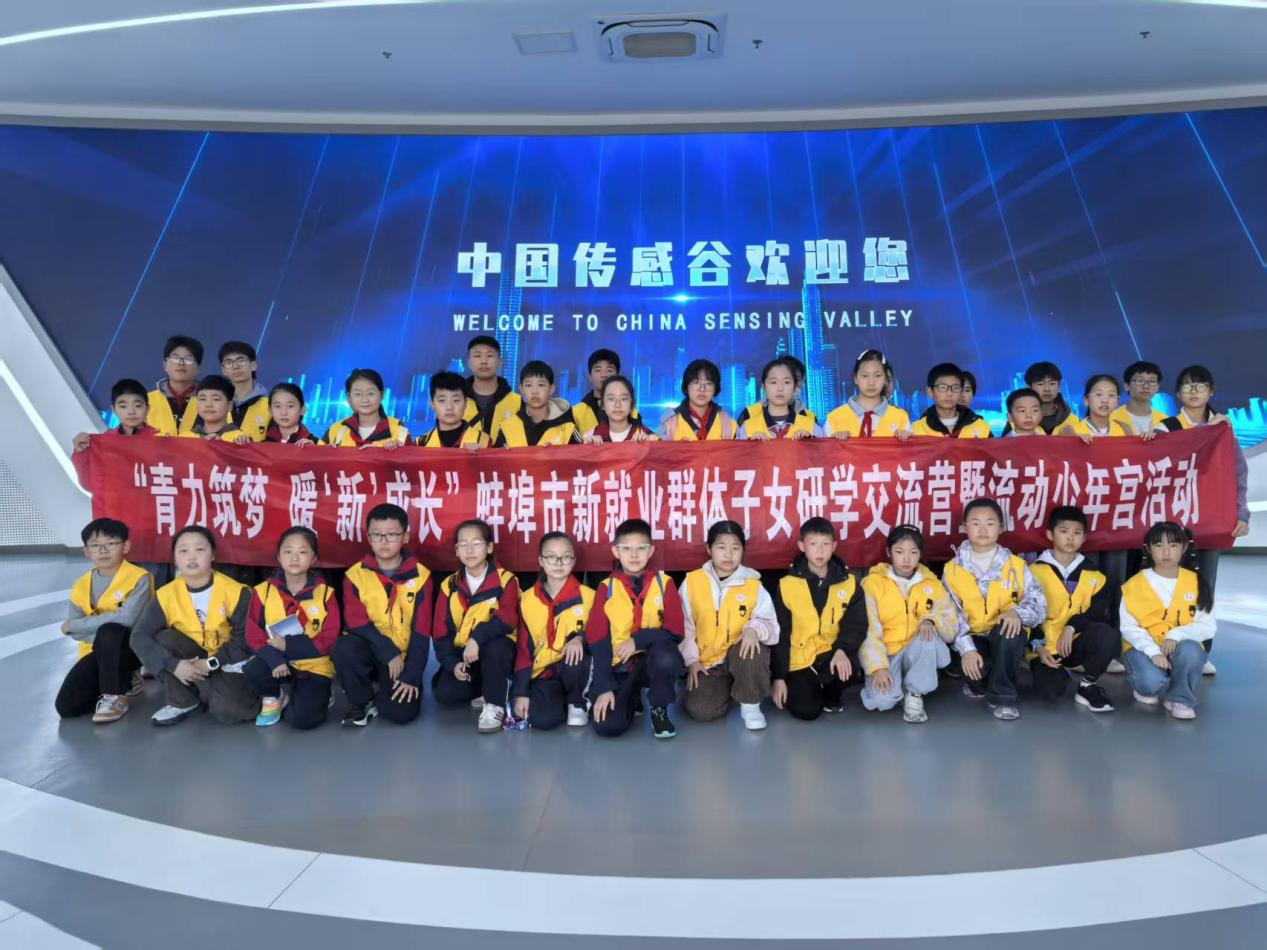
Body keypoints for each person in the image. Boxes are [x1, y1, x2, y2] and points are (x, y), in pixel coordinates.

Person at [1157, 364, 1250, 677]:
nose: (1193, 391)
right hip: (1172, 523)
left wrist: (1241, 512)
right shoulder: (1166, 428)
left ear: (1211, 392)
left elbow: (1238, 473)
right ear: (1177, 393)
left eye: (1200, 386)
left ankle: (1200, 650)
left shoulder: (1222, 428)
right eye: (1187, 386)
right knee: (1166, 585)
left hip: (1210, 520)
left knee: (1204, 586)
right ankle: (1163, 649)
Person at [128, 526, 259, 726]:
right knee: (162, 638)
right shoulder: (166, 594)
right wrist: (175, 665)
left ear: (212, 555)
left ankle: (227, 690)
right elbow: (139, 636)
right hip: (191, 656)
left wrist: (210, 664)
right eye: (183, 550)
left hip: (228, 659)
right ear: (175, 558)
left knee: (229, 713)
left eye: (200, 549)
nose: (191, 557)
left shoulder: (236, 592)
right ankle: (183, 700)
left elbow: (244, 640)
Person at [942, 499, 1047, 721]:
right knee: (976, 676)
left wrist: (1017, 612)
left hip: (1004, 636)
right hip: (972, 637)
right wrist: (967, 650)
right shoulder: (952, 569)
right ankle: (981, 680)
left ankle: (1003, 697)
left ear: (1001, 528)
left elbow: (1039, 605)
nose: (982, 529)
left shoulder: (1016, 565)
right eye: (976, 523)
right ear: (964, 527)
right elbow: (950, 615)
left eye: (990, 523)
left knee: (1009, 630)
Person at [332, 503, 431, 727]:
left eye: (392, 535)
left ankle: (384, 687)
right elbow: (356, 623)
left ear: (405, 536)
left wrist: (411, 674)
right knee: (344, 647)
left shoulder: (421, 576)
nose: (384, 541)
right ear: (368, 537)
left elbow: (422, 631)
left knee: (400, 714)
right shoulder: (355, 575)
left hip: (402, 658)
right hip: (371, 648)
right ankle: (362, 700)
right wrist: (388, 651)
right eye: (377, 535)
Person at [585, 518, 686, 739]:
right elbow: (597, 641)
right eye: (626, 548)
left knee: (666, 656)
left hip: (653, 662)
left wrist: (637, 641)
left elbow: (676, 632)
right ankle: (631, 697)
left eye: (641, 548)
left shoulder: (664, 583)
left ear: (651, 551)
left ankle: (659, 709)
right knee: (607, 726)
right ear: (615, 551)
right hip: (620, 666)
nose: (634, 555)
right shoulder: (606, 589)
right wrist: (604, 686)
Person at [679, 521, 778, 730]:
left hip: (739, 655)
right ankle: (731, 687)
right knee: (701, 710)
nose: (728, 554)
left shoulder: (753, 584)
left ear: (743, 551)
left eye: (735, 548)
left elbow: (770, 625)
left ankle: (750, 704)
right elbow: (684, 627)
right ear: (709, 549)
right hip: (708, 662)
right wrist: (692, 661)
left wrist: (753, 629)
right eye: (721, 547)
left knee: (753, 647)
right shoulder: (692, 583)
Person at [857, 526, 958, 723]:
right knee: (882, 701)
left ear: (920, 554)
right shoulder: (872, 584)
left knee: (927, 635)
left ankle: (914, 693)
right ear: (889, 552)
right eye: (899, 552)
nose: (906, 559)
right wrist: (877, 667)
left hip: (917, 649)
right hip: (887, 653)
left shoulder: (932, 584)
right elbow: (869, 630)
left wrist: (931, 619)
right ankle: (898, 684)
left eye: (913, 552)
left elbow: (951, 627)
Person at [770, 517, 867, 720]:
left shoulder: (849, 583)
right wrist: (779, 677)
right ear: (802, 546)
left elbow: (856, 624)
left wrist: (842, 650)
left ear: (834, 546)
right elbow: (781, 634)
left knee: (849, 670)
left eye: (825, 544)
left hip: (830, 654)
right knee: (806, 711)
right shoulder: (787, 585)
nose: (820, 551)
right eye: (813, 544)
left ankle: (831, 695)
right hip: (800, 660)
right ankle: (811, 690)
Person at [243, 527, 339, 729]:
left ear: (314, 559)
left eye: (302, 552)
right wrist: (274, 658)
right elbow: (253, 633)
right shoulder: (263, 591)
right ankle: (274, 696)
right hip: (278, 662)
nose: (294, 558)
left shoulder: (325, 594)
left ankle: (320, 694)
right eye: (288, 551)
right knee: (254, 669)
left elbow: (330, 638)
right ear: (279, 557)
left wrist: (289, 646)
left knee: (303, 720)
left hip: (314, 665)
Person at [55, 518, 151, 723]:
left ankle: (114, 696)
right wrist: (88, 633)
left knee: (111, 631)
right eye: (95, 545)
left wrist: (76, 626)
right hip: (95, 652)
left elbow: (128, 619)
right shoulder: (81, 585)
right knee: (67, 706)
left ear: (126, 546)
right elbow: (75, 634)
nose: (103, 550)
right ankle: (125, 678)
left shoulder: (140, 577)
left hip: (132, 648)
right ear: (86, 551)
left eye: (111, 543)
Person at [1120, 521, 1216, 720]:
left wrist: (1176, 634)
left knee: (1191, 651)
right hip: (1143, 648)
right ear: (1148, 549)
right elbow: (1128, 628)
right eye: (1158, 545)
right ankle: (1147, 684)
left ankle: (1180, 699)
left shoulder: (1196, 582)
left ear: (1184, 548)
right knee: (1150, 683)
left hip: (1180, 647)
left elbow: (1208, 626)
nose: (1166, 552)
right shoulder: (1134, 584)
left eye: (1173, 545)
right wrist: (1154, 652)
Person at [432, 520, 519, 733]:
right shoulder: (449, 585)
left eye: (476, 543)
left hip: (496, 650)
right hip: (466, 655)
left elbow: (507, 619)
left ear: (489, 547)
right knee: (446, 695)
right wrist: (452, 663)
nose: (469, 550)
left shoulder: (506, 580)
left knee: (497, 647)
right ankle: (486, 688)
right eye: (463, 544)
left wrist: (476, 638)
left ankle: (495, 704)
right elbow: (441, 632)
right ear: (456, 551)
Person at [1027, 507, 1118, 713]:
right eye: (1064, 531)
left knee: (1107, 635)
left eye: (1077, 533)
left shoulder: (1095, 575)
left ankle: (1088, 684)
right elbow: (1026, 614)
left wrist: (1071, 627)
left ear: (1084, 538)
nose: (1070, 538)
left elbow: (1098, 614)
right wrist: (1038, 647)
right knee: (1051, 692)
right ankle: (1056, 671)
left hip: (1076, 642)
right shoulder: (1032, 572)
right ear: (1050, 534)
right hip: (1045, 649)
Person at [511, 532, 594, 730]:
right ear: (541, 560)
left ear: (574, 561)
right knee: (543, 721)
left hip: (574, 669)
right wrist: (521, 692)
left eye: (565, 557)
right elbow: (523, 649)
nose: (558, 563)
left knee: (577, 656)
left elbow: (600, 636)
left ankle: (577, 702)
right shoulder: (527, 600)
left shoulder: (590, 597)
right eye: (551, 557)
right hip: (544, 671)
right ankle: (558, 700)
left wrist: (580, 638)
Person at [823, 349, 911, 439]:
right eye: (865, 376)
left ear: (886, 379)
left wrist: (905, 440)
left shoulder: (900, 417)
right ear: (855, 378)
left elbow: (911, 447)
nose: (871, 382)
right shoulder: (834, 418)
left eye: (878, 375)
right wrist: (834, 442)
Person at [492, 361, 580, 447]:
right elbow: (494, 455)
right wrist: (503, 452)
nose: (534, 391)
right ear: (521, 389)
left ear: (551, 389)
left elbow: (580, 455)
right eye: (528, 385)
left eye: (541, 385)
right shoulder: (507, 427)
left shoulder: (568, 429)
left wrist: (557, 452)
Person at [323, 368, 410, 448]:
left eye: (370, 393)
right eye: (358, 394)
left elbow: (412, 457)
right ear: (349, 397)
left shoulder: (399, 431)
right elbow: (318, 455)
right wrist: (324, 451)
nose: (365, 399)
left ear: (382, 395)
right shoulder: (336, 430)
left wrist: (394, 452)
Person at [736, 357, 817, 439]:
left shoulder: (809, 419)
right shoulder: (749, 414)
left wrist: (809, 441)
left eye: (787, 382)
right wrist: (751, 444)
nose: (780, 388)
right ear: (764, 386)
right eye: (774, 382)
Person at [72, 378, 160, 452]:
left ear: (147, 409)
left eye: (137, 406)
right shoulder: (105, 442)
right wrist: (81, 452)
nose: (131, 411)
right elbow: (90, 466)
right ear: (114, 410)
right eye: (123, 406)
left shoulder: (159, 439)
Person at [659, 358, 737, 440]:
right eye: (696, 383)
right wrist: (677, 446)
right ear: (686, 386)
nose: (702, 389)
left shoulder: (727, 422)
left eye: (708, 384)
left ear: (715, 389)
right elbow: (654, 445)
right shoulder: (669, 420)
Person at [910, 363, 991, 437]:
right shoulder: (916, 430)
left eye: (955, 388)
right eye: (942, 387)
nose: (949, 393)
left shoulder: (981, 427)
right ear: (930, 392)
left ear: (960, 392)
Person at [464, 335, 520, 441]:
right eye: (477, 356)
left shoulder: (517, 402)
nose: (483, 361)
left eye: (489, 356)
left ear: (500, 362)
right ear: (469, 363)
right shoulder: (455, 400)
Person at [147, 335, 203, 436]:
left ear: (198, 368)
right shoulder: (146, 401)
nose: (181, 363)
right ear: (165, 365)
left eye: (188, 359)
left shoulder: (212, 402)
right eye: (175, 358)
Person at [571, 348, 637, 434]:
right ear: (590, 376)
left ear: (617, 376)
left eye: (609, 370)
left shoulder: (629, 410)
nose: (604, 375)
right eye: (598, 370)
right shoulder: (576, 412)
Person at [416, 371, 486, 448]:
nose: (449, 407)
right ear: (432, 404)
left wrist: (481, 454)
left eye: (456, 400)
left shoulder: (483, 442)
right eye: (442, 400)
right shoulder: (421, 443)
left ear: (465, 403)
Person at [217, 341, 270, 442]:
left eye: (241, 361)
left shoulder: (271, 406)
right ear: (223, 370)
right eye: (228, 363)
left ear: (253, 365)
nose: (235, 366)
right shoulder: (215, 404)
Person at [581, 376, 657, 443]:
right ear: (602, 404)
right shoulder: (590, 436)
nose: (617, 405)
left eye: (623, 399)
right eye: (611, 399)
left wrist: (650, 445)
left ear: (632, 404)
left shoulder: (646, 435)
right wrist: (587, 447)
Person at [1056, 375, 1135, 439]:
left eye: (1111, 395)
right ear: (1086, 400)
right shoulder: (1070, 431)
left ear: (1117, 401)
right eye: (1098, 394)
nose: (1105, 400)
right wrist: (1074, 443)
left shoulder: (1124, 429)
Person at [177, 375, 250, 442]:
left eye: (216, 399)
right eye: (203, 399)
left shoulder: (239, 439)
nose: (208, 405)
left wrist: (223, 446)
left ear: (229, 405)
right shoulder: (184, 439)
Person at [1110, 360, 1167, 435]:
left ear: (1157, 387)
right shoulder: (1111, 418)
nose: (1146, 386)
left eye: (1152, 381)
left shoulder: (1165, 421)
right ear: (1127, 386)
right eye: (1140, 381)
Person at [1021, 360, 1077, 435]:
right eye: (1040, 384)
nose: (1047, 389)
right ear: (1029, 388)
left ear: (1059, 387)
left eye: (1052, 383)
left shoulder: (1072, 421)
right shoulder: (1017, 422)